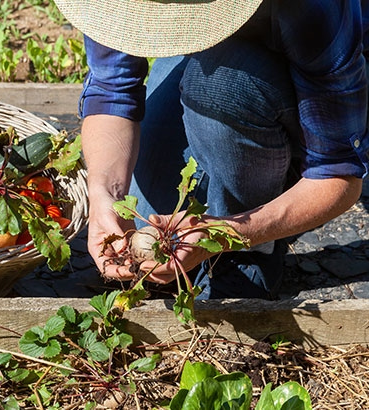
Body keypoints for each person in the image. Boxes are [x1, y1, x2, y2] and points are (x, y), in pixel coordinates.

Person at [52, 0, 369, 299]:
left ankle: (252, 252)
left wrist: (224, 233)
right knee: (147, 215)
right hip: (204, 55)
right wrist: (105, 193)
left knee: (222, 85)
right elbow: (111, 90)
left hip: (323, 73)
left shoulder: (314, 9)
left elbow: (338, 174)